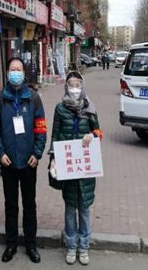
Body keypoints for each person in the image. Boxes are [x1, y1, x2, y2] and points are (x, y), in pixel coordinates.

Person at [0, 57, 47, 264]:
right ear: (8, 72)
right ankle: (11, 244)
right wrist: (0, 153)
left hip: (29, 162)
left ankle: (31, 245)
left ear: (23, 73)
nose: (15, 73)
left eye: (19, 69)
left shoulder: (33, 98)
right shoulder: (0, 99)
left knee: (30, 205)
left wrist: (37, 153)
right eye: (12, 69)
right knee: (11, 205)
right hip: (9, 162)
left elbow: (40, 128)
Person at [49, 71, 103, 266]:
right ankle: (71, 245)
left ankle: (84, 246)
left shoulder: (90, 108)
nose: (74, 88)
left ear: (83, 87)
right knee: (70, 209)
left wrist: (92, 136)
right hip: (68, 166)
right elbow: (55, 134)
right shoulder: (60, 108)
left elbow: (99, 132)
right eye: (71, 84)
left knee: (85, 210)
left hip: (86, 169)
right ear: (66, 87)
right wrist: (53, 159)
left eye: (78, 85)